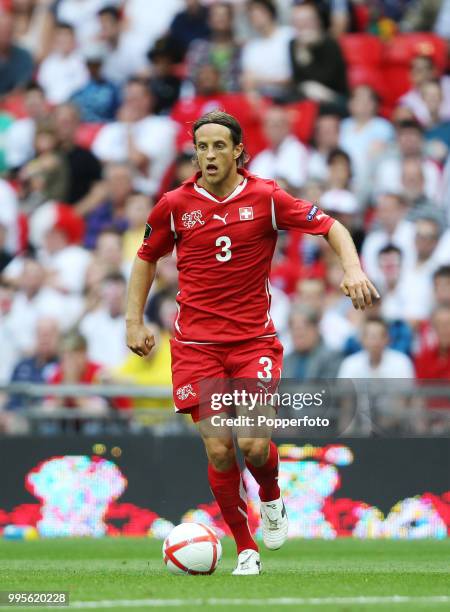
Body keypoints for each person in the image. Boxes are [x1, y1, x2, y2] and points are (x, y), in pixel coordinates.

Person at [125, 110, 378, 574]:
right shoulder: (174, 204)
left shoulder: (265, 197)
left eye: (219, 146)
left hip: (252, 342)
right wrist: (133, 321)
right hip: (196, 345)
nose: (210, 155)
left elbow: (332, 227)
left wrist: (353, 269)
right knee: (220, 448)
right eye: (202, 147)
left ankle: (272, 496)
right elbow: (145, 258)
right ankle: (246, 548)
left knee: (255, 445)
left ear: (238, 150)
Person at [249, 105, 309, 190]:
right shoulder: (260, 158)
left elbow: (294, 187)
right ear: (264, 129)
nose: (273, 130)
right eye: (269, 125)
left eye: (277, 125)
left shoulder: (298, 151)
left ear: (288, 127)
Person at [282, 304, 342, 380]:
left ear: (316, 328)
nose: (297, 333)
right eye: (293, 328)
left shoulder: (332, 358)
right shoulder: (285, 361)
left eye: (302, 328)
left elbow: (324, 389)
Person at [0, 10, 34, 95]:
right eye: (2, 30)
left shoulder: (24, 56)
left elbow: (22, 87)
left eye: (9, 29)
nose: (6, 34)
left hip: (12, 104)